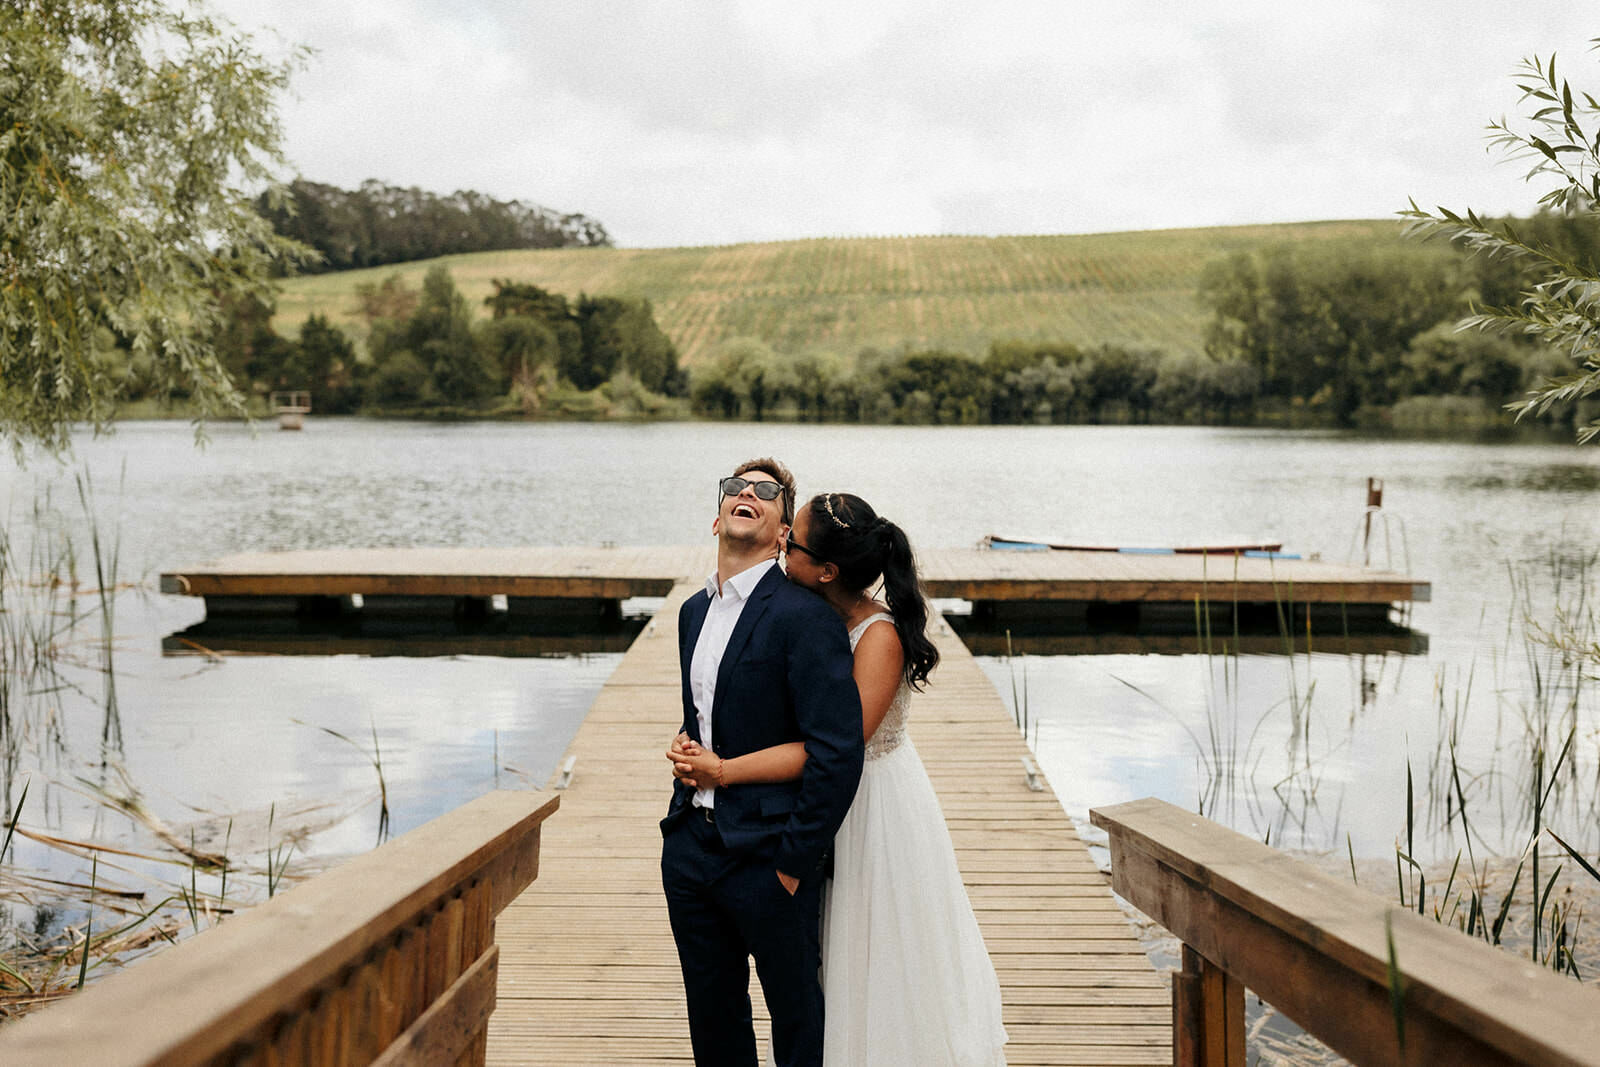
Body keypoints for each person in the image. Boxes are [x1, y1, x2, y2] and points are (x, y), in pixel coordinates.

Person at [671, 492, 1008, 1066]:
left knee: (868, 956)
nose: (782, 545)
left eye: (791, 541)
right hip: (795, 809)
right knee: (823, 964)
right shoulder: (800, 612)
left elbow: (837, 749)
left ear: (826, 570)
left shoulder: (876, 637)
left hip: (870, 806)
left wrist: (723, 771)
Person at [660, 459, 865, 1067]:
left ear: (782, 534)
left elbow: (836, 750)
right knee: (714, 1023)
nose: (747, 492)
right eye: (735, 487)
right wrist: (684, 747)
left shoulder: (805, 618)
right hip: (691, 849)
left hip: (770, 858)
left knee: (798, 1024)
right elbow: (707, 716)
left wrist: (793, 866)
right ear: (717, 516)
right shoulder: (691, 612)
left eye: (767, 492)